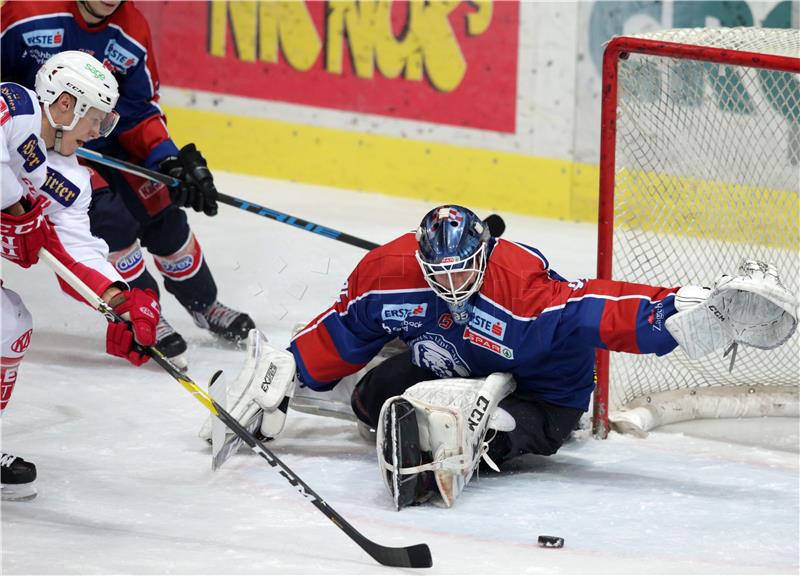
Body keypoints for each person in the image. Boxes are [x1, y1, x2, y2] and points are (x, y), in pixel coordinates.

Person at [199, 205, 797, 508]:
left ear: (484, 257)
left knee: (487, 429)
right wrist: (290, 372)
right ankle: (428, 417)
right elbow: (347, 326)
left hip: (545, 386)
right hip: (449, 361)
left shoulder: (523, 294)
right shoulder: (390, 275)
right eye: (441, 272)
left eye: (464, 269)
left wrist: (679, 313)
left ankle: (467, 431)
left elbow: (600, 308)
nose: (454, 283)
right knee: (369, 398)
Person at [0, 1, 255, 370]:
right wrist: (14, 207)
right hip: (30, 141)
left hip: (68, 148)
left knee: (163, 214)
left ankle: (196, 303)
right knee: (111, 220)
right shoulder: (26, 23)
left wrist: (123, 302)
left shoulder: (132, 29)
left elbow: (139, 109)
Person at [1, 51, 161, 501]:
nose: (97, 132)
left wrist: (121, 299)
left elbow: (77, 247)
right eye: (96, 119)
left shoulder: (70, 178)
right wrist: (16, 206)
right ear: (66, 105)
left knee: (8, 324)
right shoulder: (14, 105)